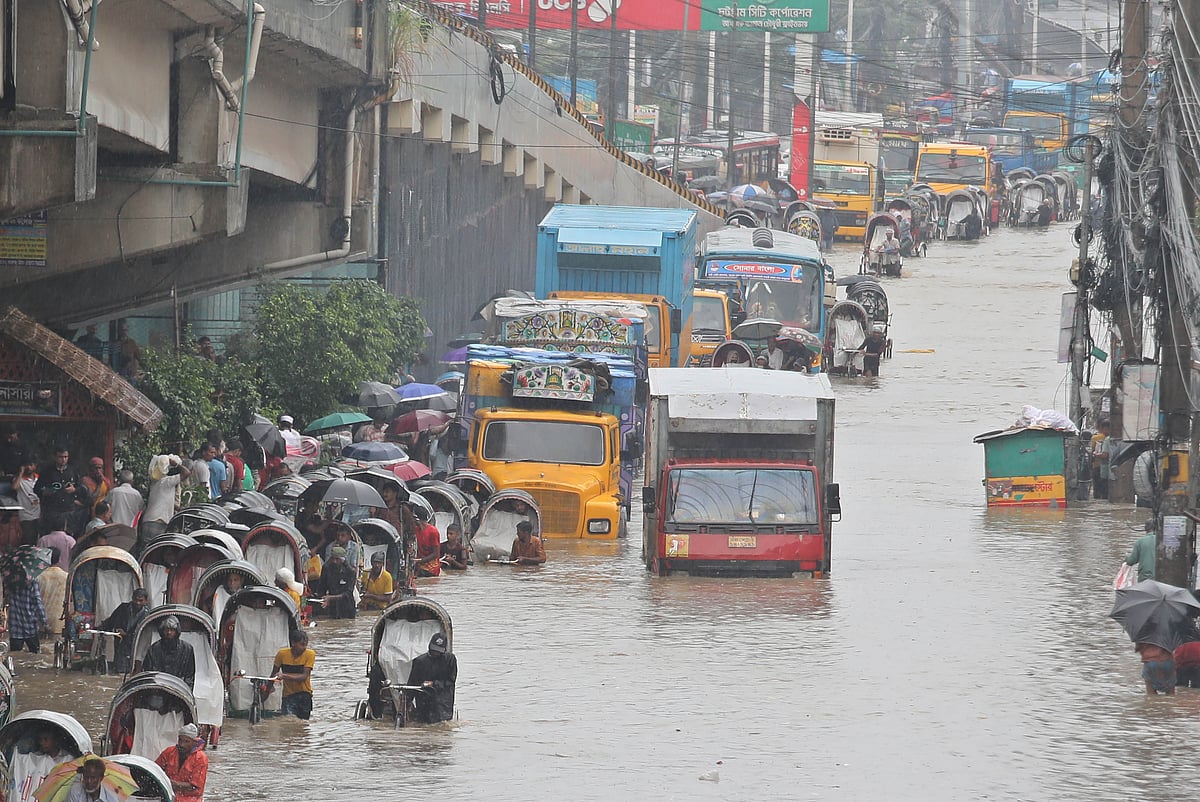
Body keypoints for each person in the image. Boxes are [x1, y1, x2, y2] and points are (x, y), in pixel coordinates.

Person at [35, 449, 90, 536]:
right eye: (60, 457)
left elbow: (83, 489)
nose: (63, 460)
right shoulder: (47, 471)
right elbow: (37, 489)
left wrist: (74, 490)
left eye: (65, 457)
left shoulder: (73, 471)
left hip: (69, 511)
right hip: (51, 511)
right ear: (55, 457)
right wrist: (45, 492)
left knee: (69, 538)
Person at [407, 632, 457, 724]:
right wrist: (408, 701)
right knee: (424, 726)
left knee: (442, 726)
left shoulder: (450, 659)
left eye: (439, 651)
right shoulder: (419, 661)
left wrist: (434, 684)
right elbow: (412, 682)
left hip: (443, 701)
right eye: (434, 650)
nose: (436, 653)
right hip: (424, 701)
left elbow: (451, 681)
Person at [100, 588, 149, 673]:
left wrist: (126, 635)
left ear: (146, 601)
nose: (138, 603)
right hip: (120, 644)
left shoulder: (147, 615)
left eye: (140, 601)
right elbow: (111, 621)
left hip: (136, 647)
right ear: (132, 598)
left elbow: (144, 634)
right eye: (136, 600)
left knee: (132, 670)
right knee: (119, 671)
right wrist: (100, 629)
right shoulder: (123, 608)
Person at [154, 724, 207, 802]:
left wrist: (169, 783)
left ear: (194, 742)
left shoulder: (200, 758)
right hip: (168, 795)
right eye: (180, 740)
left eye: (186, 741)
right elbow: (155, 769)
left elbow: (195, 787)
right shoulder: (169, 752)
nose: (182, 744)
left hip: (190, 799)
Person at [143, 455, 188, 545]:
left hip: (149, 521)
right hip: (158, 522)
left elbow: (163, 500)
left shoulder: (155, 482)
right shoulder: (167, 482)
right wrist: (176, 464)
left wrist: (178, 508)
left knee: (147, 550)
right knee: (156, 551)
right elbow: (186, 473)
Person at [272, 630, 316, 719]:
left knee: (303, 725)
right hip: (288, 696)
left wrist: (284, 676)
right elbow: (273, 675)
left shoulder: (310, 654)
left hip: (304, 695)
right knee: (288, 722)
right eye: (302, 644)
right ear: (293, 643)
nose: (304, 647)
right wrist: (267, 690)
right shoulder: (282, 654)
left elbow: (304, 677)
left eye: (305, 644)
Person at [143, 615, 196, 688]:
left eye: (172, 630)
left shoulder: (187, 649)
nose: (169, 632)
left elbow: (189, 677)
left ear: (177, 631)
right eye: (166, 629)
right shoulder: (153, 649)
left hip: (179, 688)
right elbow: (148, 674)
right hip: (158, 688)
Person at [7, 575, 46, 653]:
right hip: (31, 627)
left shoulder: (9, 580)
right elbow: (38, 602)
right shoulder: (32, 582)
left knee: (15, 656)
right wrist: (44, 621)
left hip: (15, 628)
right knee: (36, 657)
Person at [315, 547, 356, 619]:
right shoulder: (326, 568)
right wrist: (323, 600)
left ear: (342, 560)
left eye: (337, 559)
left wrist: (331, 598)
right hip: (332, 608)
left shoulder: (350, 572)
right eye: (333, 558)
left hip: (347, 608)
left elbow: (348, 593)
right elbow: (321, 588)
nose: (334, 561)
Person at [36, 547, 67, 637]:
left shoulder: (38, 576)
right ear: (58, 559)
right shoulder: (66, 576)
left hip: (40, 621)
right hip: (59, 622)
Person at [15, 460, 40, 544]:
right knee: (29, 540)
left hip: (39, 514)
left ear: (35, 465)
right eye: (26, 465)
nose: (28, 467)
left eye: (30, 465)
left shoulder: (39, 478)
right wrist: (21, 473)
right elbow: (15, 487)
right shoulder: (20, 479)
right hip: (26, 516)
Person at [414, 511, 441, 577]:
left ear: (418, 520)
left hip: (431, 568)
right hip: (419, 564)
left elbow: (435, 554)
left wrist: (420, 561)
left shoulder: (433, 531)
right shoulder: (416, 530)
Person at [1090, 419, 1112, 499]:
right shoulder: (1113, 438)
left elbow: (1093, 451)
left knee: (1098, 488)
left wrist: (1095, 454)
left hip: (1098, 465)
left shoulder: (1097, 438)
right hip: (1110, 469)